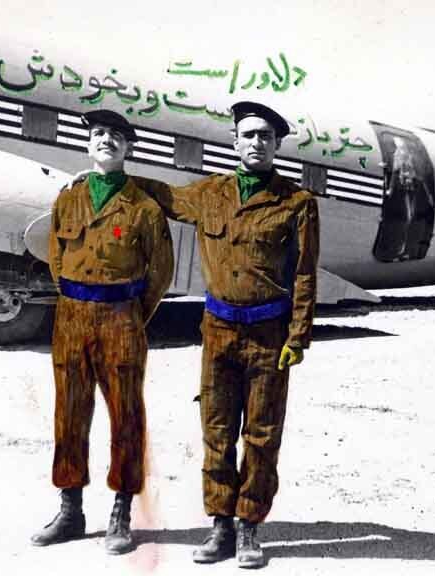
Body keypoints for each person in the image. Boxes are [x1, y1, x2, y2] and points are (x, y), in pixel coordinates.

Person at [139, 101, 320, 568]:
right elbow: (164, 196)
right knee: (216, 431)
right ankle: (220, 525)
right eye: (249, 135)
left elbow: (304, 273)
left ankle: (249, 528)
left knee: (262, 434)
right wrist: (116, 179)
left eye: (265, 136)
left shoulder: (297, 203)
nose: (257, 142)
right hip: (218, 332)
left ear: (276, 145)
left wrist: (297, 337)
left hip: (269, 335)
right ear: (234, 141)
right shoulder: (210, 194)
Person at [31, 109, 174, 555]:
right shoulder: (68, 199)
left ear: (128, 147)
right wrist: (77, 300)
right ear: (88, 143)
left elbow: (160, 272)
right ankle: (70, 510)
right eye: (97, 133)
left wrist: (129, 314)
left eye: (115, 135)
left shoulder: (144, 208)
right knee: (69, 414)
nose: (105, 140)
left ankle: (121, 513)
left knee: (125, 416)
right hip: (72, 317)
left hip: (121, 318)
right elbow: (56, 258)